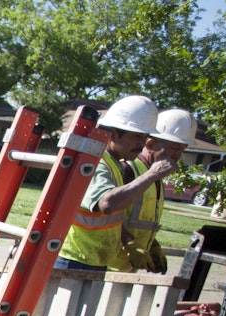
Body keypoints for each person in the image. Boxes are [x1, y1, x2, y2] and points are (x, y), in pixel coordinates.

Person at [55, 95, 176, 271]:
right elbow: (108, 204)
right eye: (136, 137)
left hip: (93, 259)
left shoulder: (113, 164)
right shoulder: (98, 163)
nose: (141, 144)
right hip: (75, 258)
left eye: (144, 138)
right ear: (113, 134)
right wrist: (152, 175)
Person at [108, 109, 198, 274]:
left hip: (126, 268)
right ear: (150, 145)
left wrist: (153, 245)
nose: (178, 156)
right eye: (174, 148)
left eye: (182, 150)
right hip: (109, 264)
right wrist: (129, 242)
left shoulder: (155, 177)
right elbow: (107, 212)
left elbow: (137, 220)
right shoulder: (129, 170)